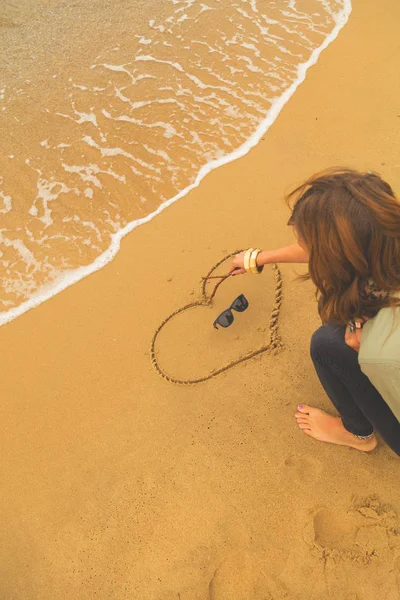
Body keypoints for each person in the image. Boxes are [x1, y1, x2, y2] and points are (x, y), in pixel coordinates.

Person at [230, 168, 400, 456]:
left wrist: (371, 348)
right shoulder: (386, 237)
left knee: (327, 343)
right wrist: (261, 257)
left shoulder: (385, 353)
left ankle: (358, 434)